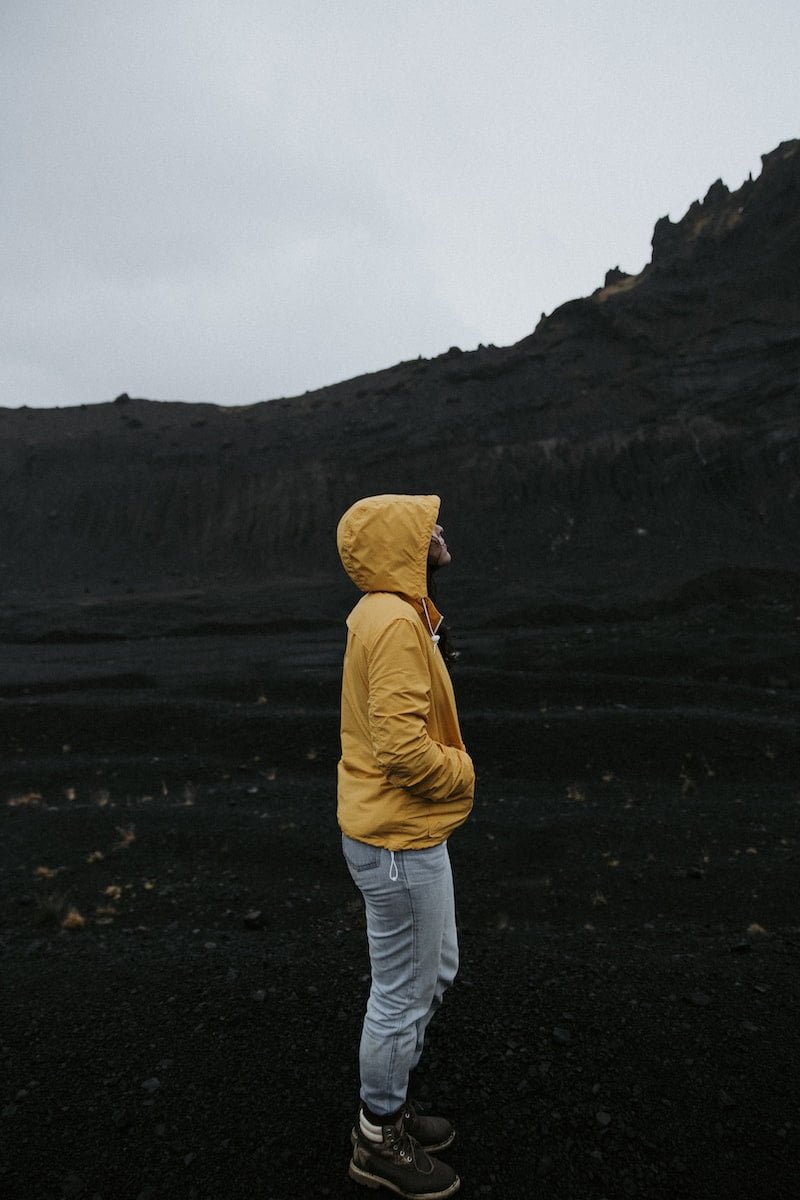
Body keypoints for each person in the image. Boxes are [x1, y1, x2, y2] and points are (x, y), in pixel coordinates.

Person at [336, 493, 475, 1199]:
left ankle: (387, 1104)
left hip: (402, 832)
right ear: (403, 545)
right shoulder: (392, 621)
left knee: (434, 970)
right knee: (402, 993)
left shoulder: (393, 611)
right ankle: (378, 1137)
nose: (440, 531)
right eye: (427, 526)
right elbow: (399, 747)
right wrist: (463, 771)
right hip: (398, 837)